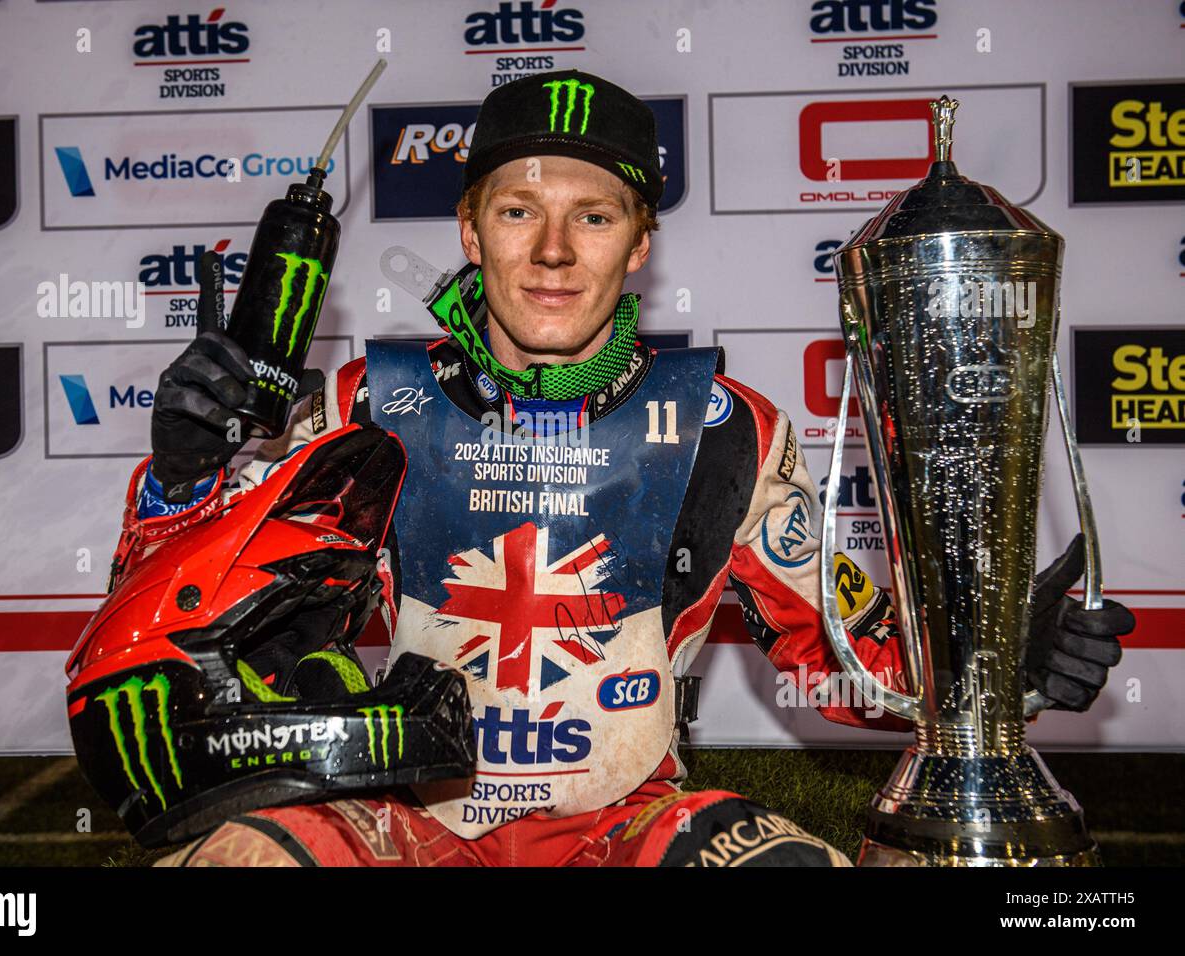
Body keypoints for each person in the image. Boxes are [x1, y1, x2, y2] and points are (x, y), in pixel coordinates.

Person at [114, 69, 1133, 867]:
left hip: (626, 827)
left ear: (639, 244)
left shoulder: (721, 426)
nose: (554, 251)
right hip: (401, 818)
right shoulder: (365, 408)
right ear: (469, 230)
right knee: (235, 853)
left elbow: (838, 657)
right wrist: (182, 480)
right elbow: (177, 631)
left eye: (594, 217)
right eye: (518, 211)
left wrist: (986, 668)